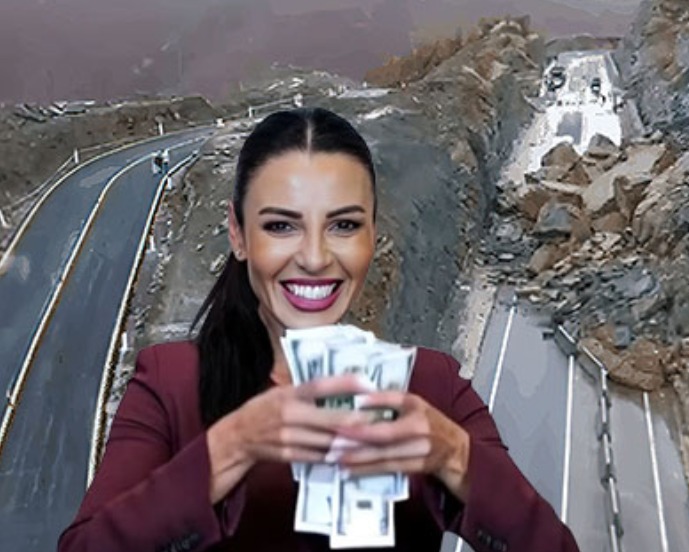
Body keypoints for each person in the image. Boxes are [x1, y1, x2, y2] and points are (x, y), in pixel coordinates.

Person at [58, 107, 579, 552]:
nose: (314, 257)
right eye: (281, 226)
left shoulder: (431, 388)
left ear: (373, 233)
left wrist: (451, 454)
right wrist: (231, 446)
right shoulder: (171, 384)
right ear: (238, 235)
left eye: (344, 225)